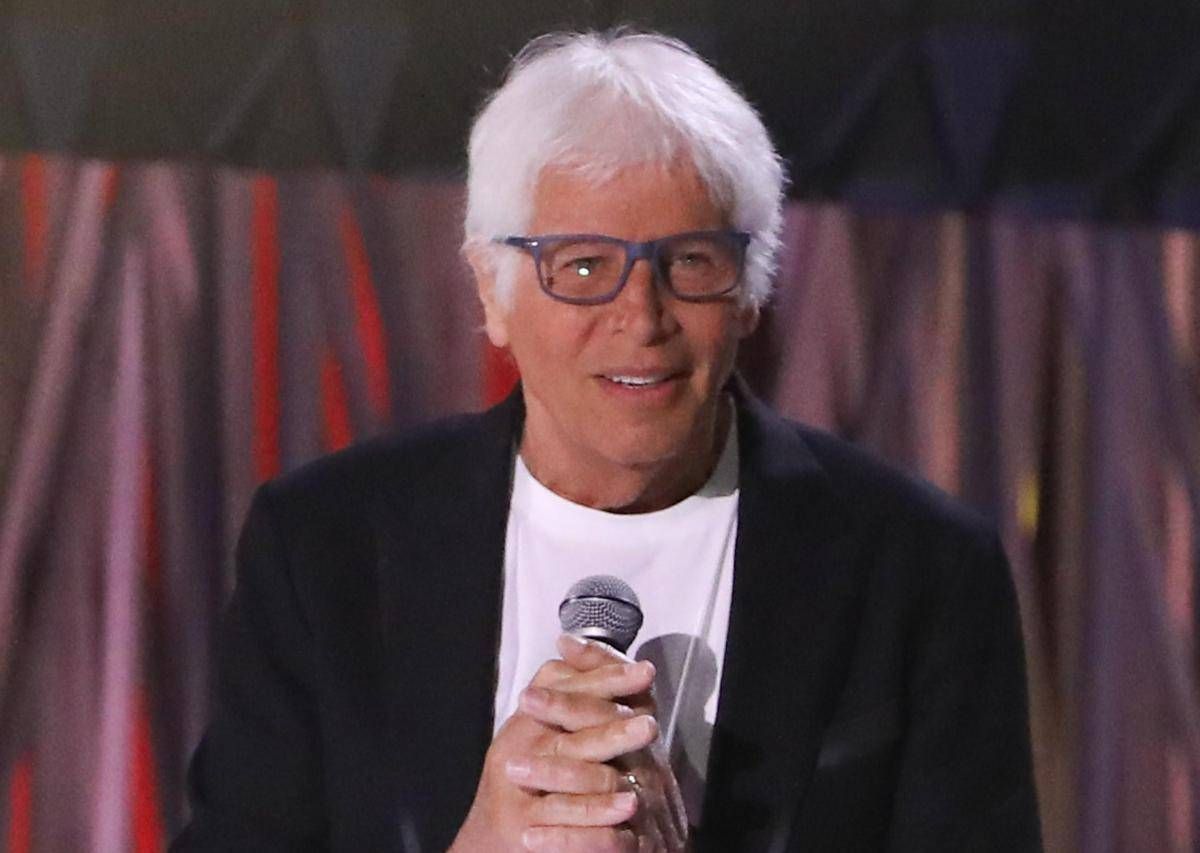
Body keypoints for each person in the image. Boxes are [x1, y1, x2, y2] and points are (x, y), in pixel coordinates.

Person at [173, 30, 1042, 852]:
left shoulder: (921, 571)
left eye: (690, 261)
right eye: (584, 264)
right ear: (493, 291)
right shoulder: (326, 547)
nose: (642, 317)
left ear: (749, 292)